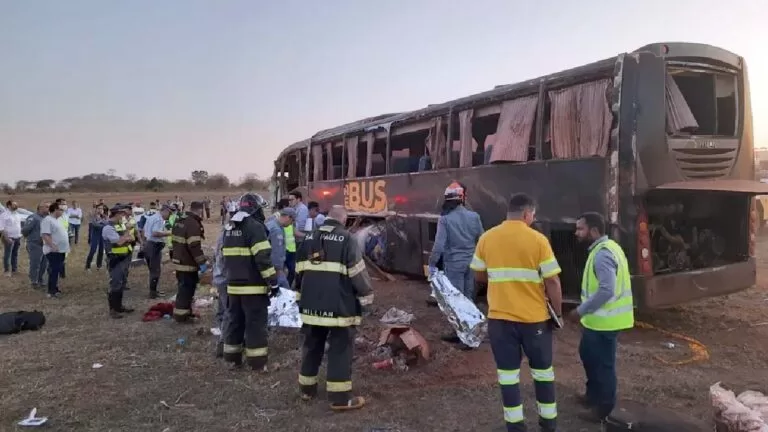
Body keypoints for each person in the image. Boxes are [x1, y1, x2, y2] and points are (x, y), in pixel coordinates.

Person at [470, 193, 563, 432]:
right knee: (543, 373)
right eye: (533, 215)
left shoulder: (487, 238)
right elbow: (552, 281)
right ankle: (548, 423)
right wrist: (558, 314)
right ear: (526, 214)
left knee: (508, 377)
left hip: (500, 321)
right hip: (535, 322)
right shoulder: (538, 240)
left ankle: (515, 426)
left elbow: (479, 274)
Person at [295, 205, 373, 411]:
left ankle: (306, 389)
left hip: (310, 306)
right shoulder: (347, 239)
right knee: (340, 350)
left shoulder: (309, 237)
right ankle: (339, 399)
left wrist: (299, 298)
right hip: (338, 307)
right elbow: (357, 272)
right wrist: (367, 297)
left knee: (312, 346)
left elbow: (299, 272)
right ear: (344, 220)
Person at [567, 212, 634, 423]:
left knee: (603, 364)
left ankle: (603, 409)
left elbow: (606, 290)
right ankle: (593, 395)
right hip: (598, 321)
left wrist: (580, 311)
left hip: (605, 322)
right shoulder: (605, 249)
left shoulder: (603, 254)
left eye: (580, 229)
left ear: (594, 231)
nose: (576, 233)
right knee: (588, 355)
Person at [221, 192, 279, 370]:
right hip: (253, 287)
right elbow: (263, 258)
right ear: (256, 208)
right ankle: (257, 363)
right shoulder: (255, 227)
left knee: (234, 322)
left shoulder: (229, 227)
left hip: (233, 286)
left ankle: (232, 359)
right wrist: (273, 282)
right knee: (255, 324)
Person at [427, 181, 484, 345]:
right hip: (471, 264)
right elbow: (482, 239)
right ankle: (468, 333)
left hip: (454, 265)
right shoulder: (475, 217)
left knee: (457, 301)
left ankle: (463, 337)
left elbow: (438, 246)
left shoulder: (445, 220)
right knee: (468, 298)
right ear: (461, 199)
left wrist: (432, 264)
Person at [171, 201, 208, 322]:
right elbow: (194, 246)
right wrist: (202, 262)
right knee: (186, 290)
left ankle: (186, 312)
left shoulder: (180, 220)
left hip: (178, 259)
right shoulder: (193, 224)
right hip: (187, 262)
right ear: (200, 210)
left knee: (183, 288)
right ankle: (181, 316)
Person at [102, 205, 136, 318]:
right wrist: (126, 234)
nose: (124, 216)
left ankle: (119, 306)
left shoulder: (119, 225)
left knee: (122, 283)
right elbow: (119, 242)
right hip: (115, 259)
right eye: (123, 214)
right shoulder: (108, 227)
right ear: (117, 214)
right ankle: (113, 310)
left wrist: (126, 237)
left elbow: (131, 238)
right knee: (115, 283)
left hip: (124, 257)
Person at [41, 201, 70, 298]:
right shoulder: (48, 220)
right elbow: (45, 234)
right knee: (54, 270)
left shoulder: (58, 220)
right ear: (55, 210)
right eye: (61, 210)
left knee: (57, 270)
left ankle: (55, 288)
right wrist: (52, 245)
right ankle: (51, 291)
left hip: (61, 250)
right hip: (53, 250)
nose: (62, 212)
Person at [143, 204, 173, 299]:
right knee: (155, 270)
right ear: (165, 211)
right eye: (169, 213)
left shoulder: (152, 217)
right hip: (154, 246)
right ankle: (153, 293)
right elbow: (155, 233)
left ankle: (153, 290)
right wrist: (169, 233)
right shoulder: (159, 219)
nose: (169, 216)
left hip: (148, 244)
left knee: (152, 269)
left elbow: (145, 231)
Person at [265, 206, 294, 289]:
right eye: (292, 221)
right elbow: (276, 251)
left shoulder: (272, 225)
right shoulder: (276, 229)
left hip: (269, 266)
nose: (291, 224)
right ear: (288, 217)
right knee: (285, 292)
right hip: (274, 268)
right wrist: (278, 268)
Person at [22, 202, 49, 288]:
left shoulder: (47, 218)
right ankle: (34, 281)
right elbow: (25, 230)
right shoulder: (33, 218)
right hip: (35, 244)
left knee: (44, 264)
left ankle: (41, 279)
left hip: (45, 245)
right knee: (35, 264)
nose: (49, 208)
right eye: (47, 207)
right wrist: (33, 238)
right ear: (40, 208)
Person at [276, 198, 297, 285]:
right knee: (282, 272)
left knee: (291, 271)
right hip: (283, 251)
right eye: (289, 204)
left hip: (289, 249)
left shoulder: (281, 221)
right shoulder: (276, 223)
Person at [1, 200, 23, 276]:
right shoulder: (4, 215)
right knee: (8, 255)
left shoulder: (17, 214)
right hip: (9, 238)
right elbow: (2, 228)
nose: (16, 206)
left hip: (18, 237)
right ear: (9, 206)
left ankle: (14, 270)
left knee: (15, 254)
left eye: (16, 204)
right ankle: (6, 271)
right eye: (14, 204)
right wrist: (7, 238)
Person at [86, 205, 107, 271]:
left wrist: (101, 221)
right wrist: (102, 223)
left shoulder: (104, 216)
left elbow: (107, 223)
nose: (100, 210)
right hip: (95, 236)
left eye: (101, 208)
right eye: (99, 208)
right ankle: (87, 266)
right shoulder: (93, 216)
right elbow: (95, 225)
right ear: (96, 209)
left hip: (102, 236)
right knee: (93, 250)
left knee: (101, 251)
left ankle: (99, 265)